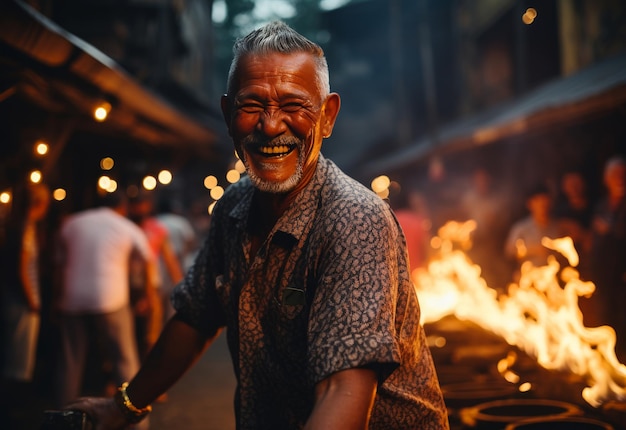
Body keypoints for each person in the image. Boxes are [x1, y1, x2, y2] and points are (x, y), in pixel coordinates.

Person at [65, 21, 449, 429]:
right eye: (252, 106)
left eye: (293, 106)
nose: (270, 126)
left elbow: (342, 390)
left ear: (327, 116)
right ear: (228, 114)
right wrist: (123, 406)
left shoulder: (355, 220)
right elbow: (197, 315)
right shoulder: (235, 204)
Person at [53, 190, 160, 412]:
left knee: (70, 362)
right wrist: (148, 296)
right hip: (110, 299)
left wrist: (58, 297)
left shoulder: (72, 223)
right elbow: (148, 260)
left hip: (71, 299)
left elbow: (58, 264)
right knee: (124, 359)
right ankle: (136, 419)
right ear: (122, 207)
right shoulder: (125, 226)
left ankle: (63, 416)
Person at [0, 182, 50, 428]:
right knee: (18, 359)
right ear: (39, 204)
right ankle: (11, 411)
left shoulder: (15, 226)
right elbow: (20, 267)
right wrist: (31, 300)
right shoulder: (25, 229)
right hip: (21, 302)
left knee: (15, 355)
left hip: (14, 300)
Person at [128, 192, 183, 358]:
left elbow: (169, 257)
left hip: (152, 285)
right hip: (126, 286)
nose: (140, 208)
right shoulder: (125, 227)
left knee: (150, 331)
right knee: (129, 330)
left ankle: (148, 365)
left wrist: (180, 285)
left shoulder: (157, 229)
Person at [588, 156, 626, 357]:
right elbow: (595, 238)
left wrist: (610, 229)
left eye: (623, 174)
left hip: (623, 276)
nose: (620, 179)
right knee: (605, 320)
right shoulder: (601, 205)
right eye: (615, 175)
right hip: (603, 276)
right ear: (606, 179)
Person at [504, 183, 568, 276]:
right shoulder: (521, 228)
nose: (542, 204)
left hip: (552, 277)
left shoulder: (558, 227)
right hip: (527, 277)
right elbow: (509, 252)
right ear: (530, 204)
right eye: (538, 200)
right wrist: (534, 250)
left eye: (545, 200)